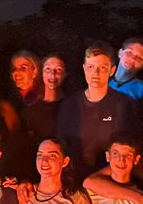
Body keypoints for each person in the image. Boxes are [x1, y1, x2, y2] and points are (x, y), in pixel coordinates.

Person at [56, 41, 138, 181]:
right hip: (74, 179)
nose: (96, 73)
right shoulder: (69, 105)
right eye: (91, 67)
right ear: (84, 68)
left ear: (112, 70)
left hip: (110, 179)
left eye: (102, 67)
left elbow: (128, 146)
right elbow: (61, 143)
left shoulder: (123, 104)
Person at [20, 53, 66, 146]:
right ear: (41, 73)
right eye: (48, 69)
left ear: (65, 74)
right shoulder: (30, 112)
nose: (52, 74)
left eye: (58, 69)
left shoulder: (74, 106)